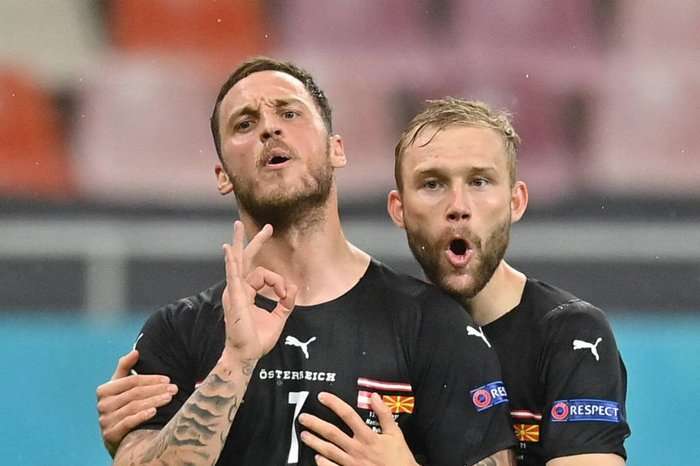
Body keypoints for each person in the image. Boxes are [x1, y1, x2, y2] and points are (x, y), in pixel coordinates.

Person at [98, 58, 516, 466]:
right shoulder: (178, 331)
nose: (269, 128)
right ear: (222, 175)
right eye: (244, 124)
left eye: (289, 113)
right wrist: (235, 362)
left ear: (336, 149)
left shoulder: (434, 326)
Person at [297, 98, 631, 465]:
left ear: (516, 201)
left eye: (479, 181)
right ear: (399, 209)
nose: (458, 206)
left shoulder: (571, 334)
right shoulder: (370, 328)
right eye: (432, 184)